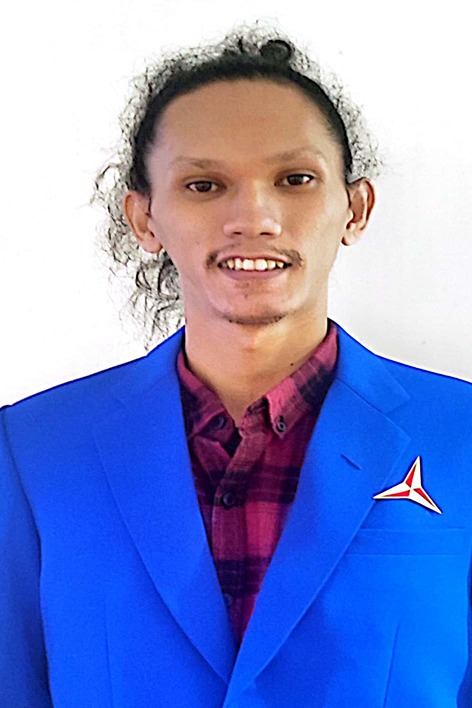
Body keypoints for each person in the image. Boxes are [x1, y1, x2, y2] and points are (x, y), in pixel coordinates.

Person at [1, 20, 471, 707]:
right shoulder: (34, 449)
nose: (254, 216)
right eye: (204, 185)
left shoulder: (461, 434)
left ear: (355, 207)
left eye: (296, 179)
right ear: (144, 218)